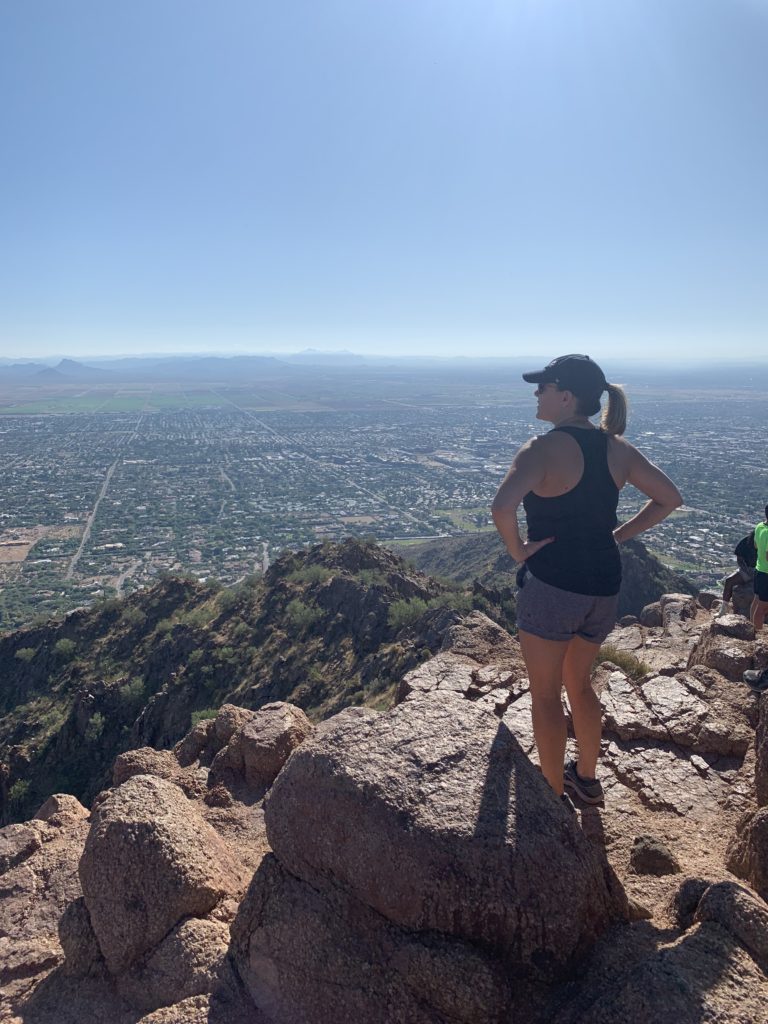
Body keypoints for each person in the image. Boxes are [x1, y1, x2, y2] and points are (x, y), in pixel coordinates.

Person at [491, 354, 682, 809]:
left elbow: (502, 508)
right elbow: (669, 498)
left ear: (565, 396)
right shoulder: (616, 449)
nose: (536, 394)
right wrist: (617, 535)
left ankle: (553, 795)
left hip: (554, 585)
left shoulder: (541, 449)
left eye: (543, 387)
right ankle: (588, 779)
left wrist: (519, 552)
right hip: (604, 585)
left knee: (544, 695)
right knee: (580, 684)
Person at [722, 531, 756, 605]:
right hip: (748, 570)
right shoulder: (746, 541)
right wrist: (747, 570)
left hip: (763, 572)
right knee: (729, 581)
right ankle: (724, 608)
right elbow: (739, 557)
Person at [749, 505, 768, 632]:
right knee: (763, 607)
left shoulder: (760, 526)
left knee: (756, 601)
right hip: (767, 573)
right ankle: (758, 634)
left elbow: (756, 545)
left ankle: (751, 629)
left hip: (759, 570)